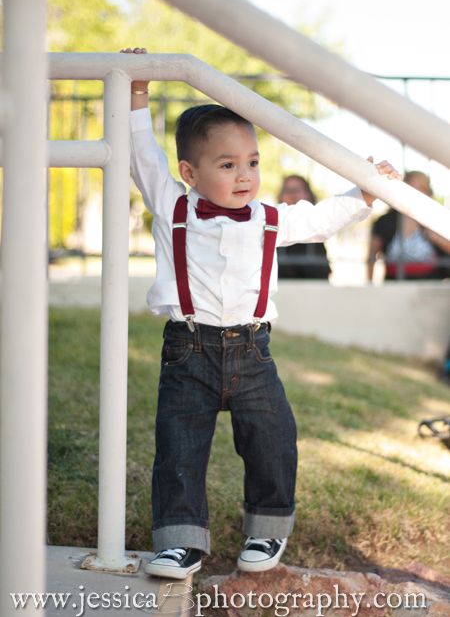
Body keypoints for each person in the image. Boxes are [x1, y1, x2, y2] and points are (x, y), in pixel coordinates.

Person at [123, 47, 401, 580]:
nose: (245, 175)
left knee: (273, 437)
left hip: (252, 349)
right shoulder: (173, 206)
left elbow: (322, 220)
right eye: (227, 165)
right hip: (189, 348)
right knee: (179, 446)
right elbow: (142, 156)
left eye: (252, 162)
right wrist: (138, 94)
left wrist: (363, 191)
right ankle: (182, 540)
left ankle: (266, 528)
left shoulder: (269, 219)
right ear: (190, 171)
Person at [368, 170, 450, 281]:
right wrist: (370, 285)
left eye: (421, 189)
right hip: (394, 285)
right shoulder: (385, 221)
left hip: (430, 286)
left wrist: (436, 238)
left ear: (428, 193)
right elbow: (372, 255)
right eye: (412, 188)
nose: (416, 193)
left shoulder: (436, 220)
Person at [277, 175, 331, 279]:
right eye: (287, 190)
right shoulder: (272, 226)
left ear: (308, 194)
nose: (292, 195)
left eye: (297, 190)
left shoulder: (318, 224)